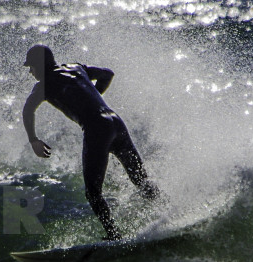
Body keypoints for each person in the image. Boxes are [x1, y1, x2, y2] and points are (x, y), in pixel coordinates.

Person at [21, 44, 160, 240]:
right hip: (116, 122)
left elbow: (27, 111)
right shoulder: (75, 67)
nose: (30, 71)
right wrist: (93, 97)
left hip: (97, 129)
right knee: (140, 180)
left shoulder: (43, 86)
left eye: (31, 67)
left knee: (93, 193)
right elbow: (107, 74)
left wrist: (33, 139)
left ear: (40, 65)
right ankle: (168, 212)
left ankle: (114, 236)